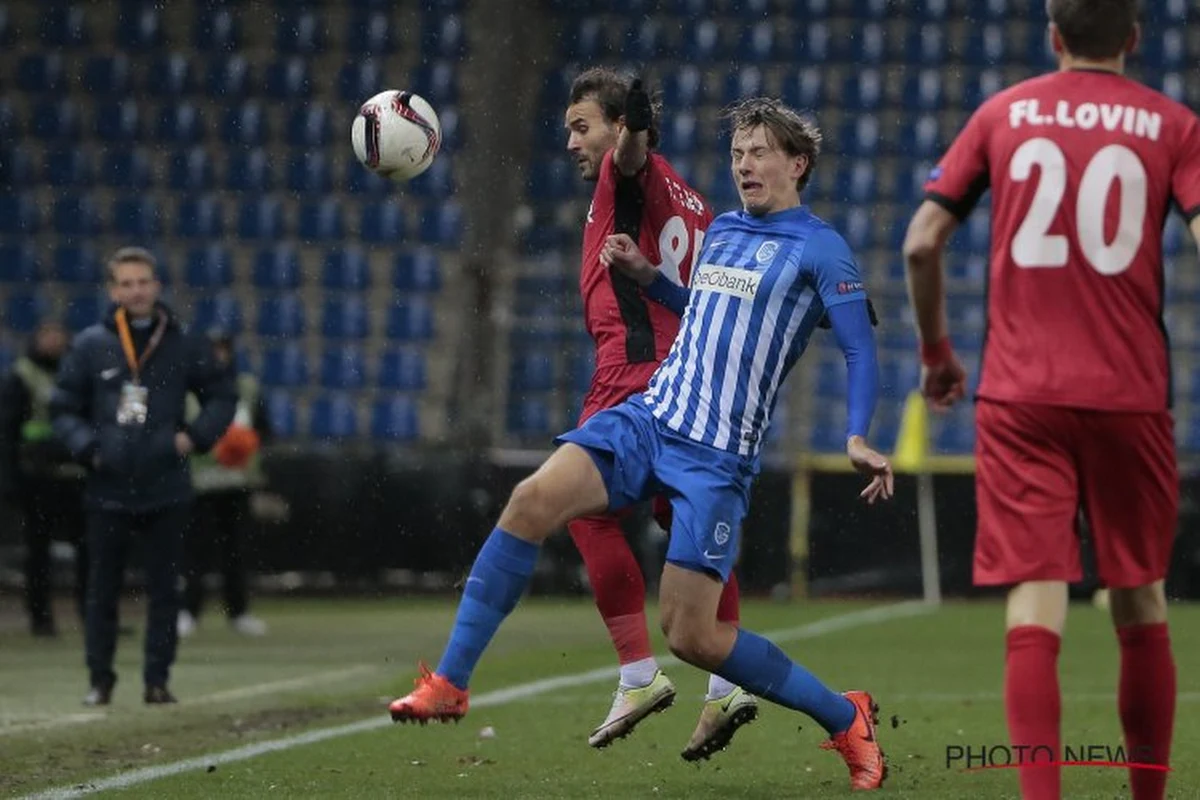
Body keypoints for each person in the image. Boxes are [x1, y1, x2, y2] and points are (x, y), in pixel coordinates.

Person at [391, 98, 894, 791]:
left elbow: (860, 349)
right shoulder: (721, 232)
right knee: (531, 500)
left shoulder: (820, 247)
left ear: (797, 164)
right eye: (738, 152)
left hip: (717, 458)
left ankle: (845, 715)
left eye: (759, 152)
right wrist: (649, 280)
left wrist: (859, 434)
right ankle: (450, 681)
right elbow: (705, 313)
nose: (744, 164)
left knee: (694, 637)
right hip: (649, 418)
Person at [902, 2, 1200, 798]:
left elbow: (921, 240)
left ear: (1053, 35)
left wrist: (936, 353)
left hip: (1020, 393)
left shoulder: (1004, 113)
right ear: (1134, 38)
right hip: (1129, 394)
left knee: (1036, 601)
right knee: (1139, 596)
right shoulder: (1172, 123)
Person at [561, 67, 753, 758]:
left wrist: (633, 127)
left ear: (618, 126)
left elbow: (631, 154)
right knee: (689, 521)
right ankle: (725, 684)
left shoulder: (628, 171)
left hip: (629, 374)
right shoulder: (696, 202)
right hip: (687, 379)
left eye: (583, 127)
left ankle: (639, 674)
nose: (573, 144)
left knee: (584, 510)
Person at [51, 247, 237, 706]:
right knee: (101, 591)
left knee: (164, 591)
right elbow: (62, 406)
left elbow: (221, 394)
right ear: (113, 290)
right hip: (108, 486)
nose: (136, 290)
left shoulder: (183, 341)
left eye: (143, 281)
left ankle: (157, 680)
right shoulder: (92, 344)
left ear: (156, 285)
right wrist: (89, 449)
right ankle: (100, 679)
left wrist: (193, 437)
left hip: (166, 485)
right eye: (126, 283)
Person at [178, 328, 271, 639]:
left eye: (223, 348)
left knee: (236, 552)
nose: (219, 354)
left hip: (237, 482)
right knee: (195, 551)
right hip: (199, 483)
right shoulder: (187, 389)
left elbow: (265, 430)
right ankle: (189, 611)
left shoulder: (247, 387)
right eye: (212, 348)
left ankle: (239, 612)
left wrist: (242, 445)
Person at [0, 320, 87, 637]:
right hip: (38, 477)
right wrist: (10, 479)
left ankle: (91, 614)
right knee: (39, 550)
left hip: (75, 475)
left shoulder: (74, 374)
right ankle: (40, 617)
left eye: (58, 335)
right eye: (47, 335)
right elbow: (7, 431)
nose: (53, 342)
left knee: (89, 549)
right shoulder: (22, 375)